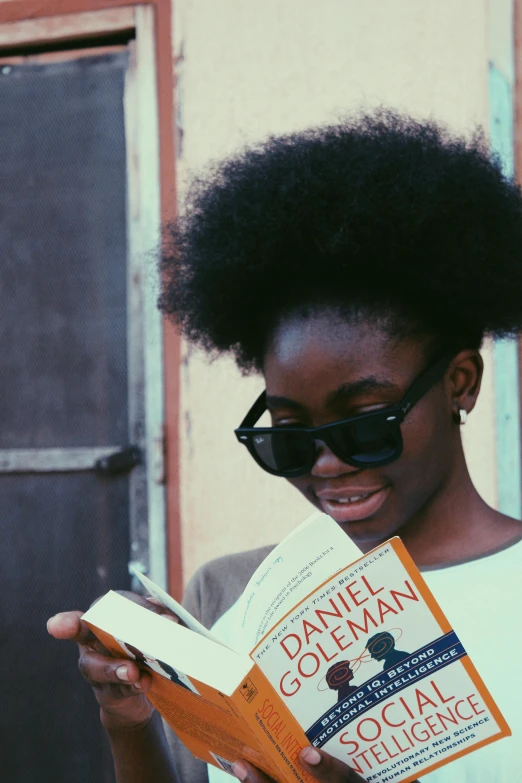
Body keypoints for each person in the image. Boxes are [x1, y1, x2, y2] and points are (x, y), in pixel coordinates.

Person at [47, 108, 522, 783]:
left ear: (460, 384)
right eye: (290, 436)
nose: (327, 465)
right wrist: (129, 721)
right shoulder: (230, 595)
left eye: (365, 424)